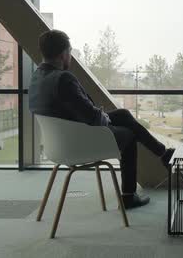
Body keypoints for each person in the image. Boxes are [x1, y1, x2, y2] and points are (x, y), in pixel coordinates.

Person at [29, 29, 175, 209]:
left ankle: (163, 153)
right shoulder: (63, 79)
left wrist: (102, 116)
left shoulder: (37, 77)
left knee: (122, 115)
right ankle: (129, 196)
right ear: (63, 55)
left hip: (61, 140)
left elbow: (76, 111)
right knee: (128, 136)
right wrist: (103, 116)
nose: (71, 57)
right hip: (78, 140)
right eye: (70, 52)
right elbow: (91, 117)